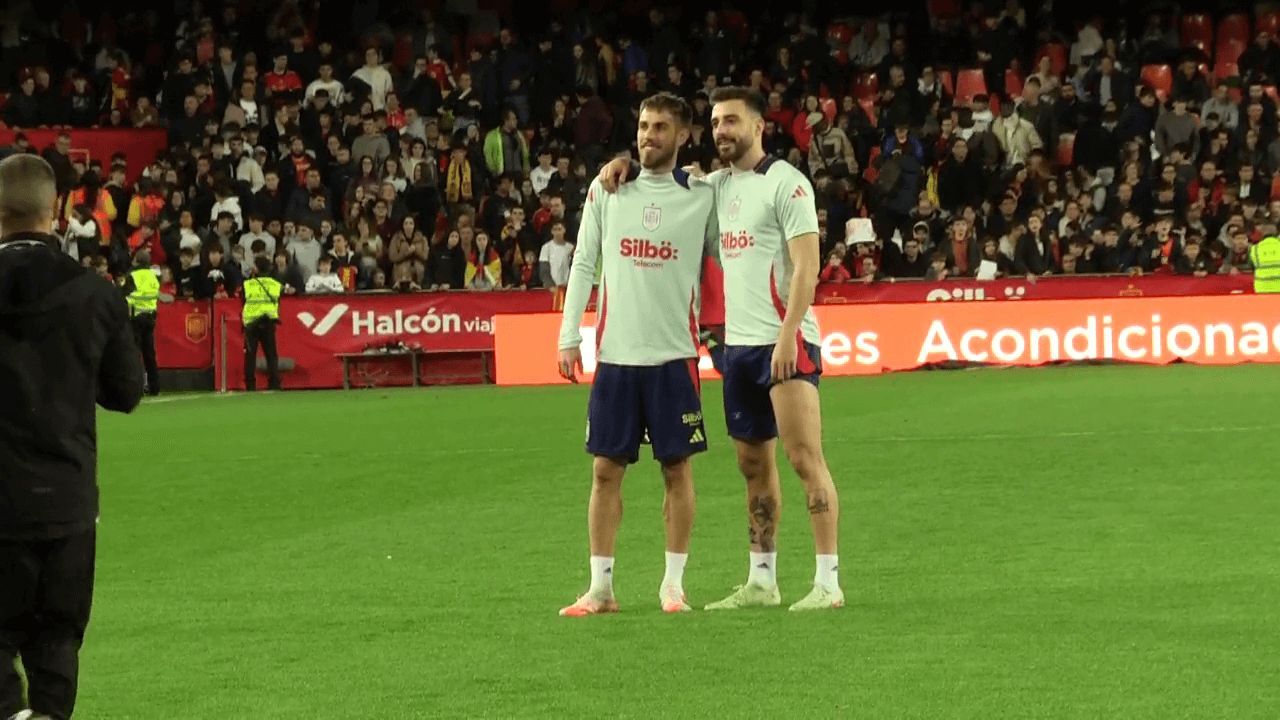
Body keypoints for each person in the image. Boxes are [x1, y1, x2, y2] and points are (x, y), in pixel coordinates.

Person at [600, 86, 844, 611]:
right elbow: (658, 175)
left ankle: (828, 581)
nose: (722, 131)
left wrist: (788, 332)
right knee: (754, 466)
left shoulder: (787, 183)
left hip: (786, 341)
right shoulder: (711, 187)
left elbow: (808, 265)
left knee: (805, 459)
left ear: (759, 127)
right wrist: (621, 162)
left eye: (732, 121)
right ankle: (762, 579)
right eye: (715, 123)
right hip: (738, 349)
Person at [556, 93, 718, 617]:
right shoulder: (608, 189)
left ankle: (673, 585)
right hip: (616, 356)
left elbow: (724, 258)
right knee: (605, 471)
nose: (649, 135)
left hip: (674, 356)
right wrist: (567, 336)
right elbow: (583, 265)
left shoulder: (702, 194)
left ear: (683, 135)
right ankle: (600, 588)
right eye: (644, 125)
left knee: (677, 471)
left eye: (661, 128)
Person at [0, 153, 144, 720]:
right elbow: (126, 392)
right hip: (66, 499)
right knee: (57, 639)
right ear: (54, 208)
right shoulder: (95, 294)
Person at [122, 248, 161, 396]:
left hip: (135, 317)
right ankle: (155, 386)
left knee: (134, 353)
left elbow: (122, 294)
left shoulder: (132, 275)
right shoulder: (154, 276)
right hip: (150, 317)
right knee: (149, 354)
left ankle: (136, 386)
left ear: (136, 260)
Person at [243, 256, 283, 391]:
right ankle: (274, 383)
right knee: (271, 355)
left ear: (256, 268)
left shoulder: (248, 284)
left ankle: (250, 385)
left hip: (252, 324)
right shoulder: (275, 284)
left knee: (250, 356)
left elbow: (243, 301)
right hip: (268, 321)